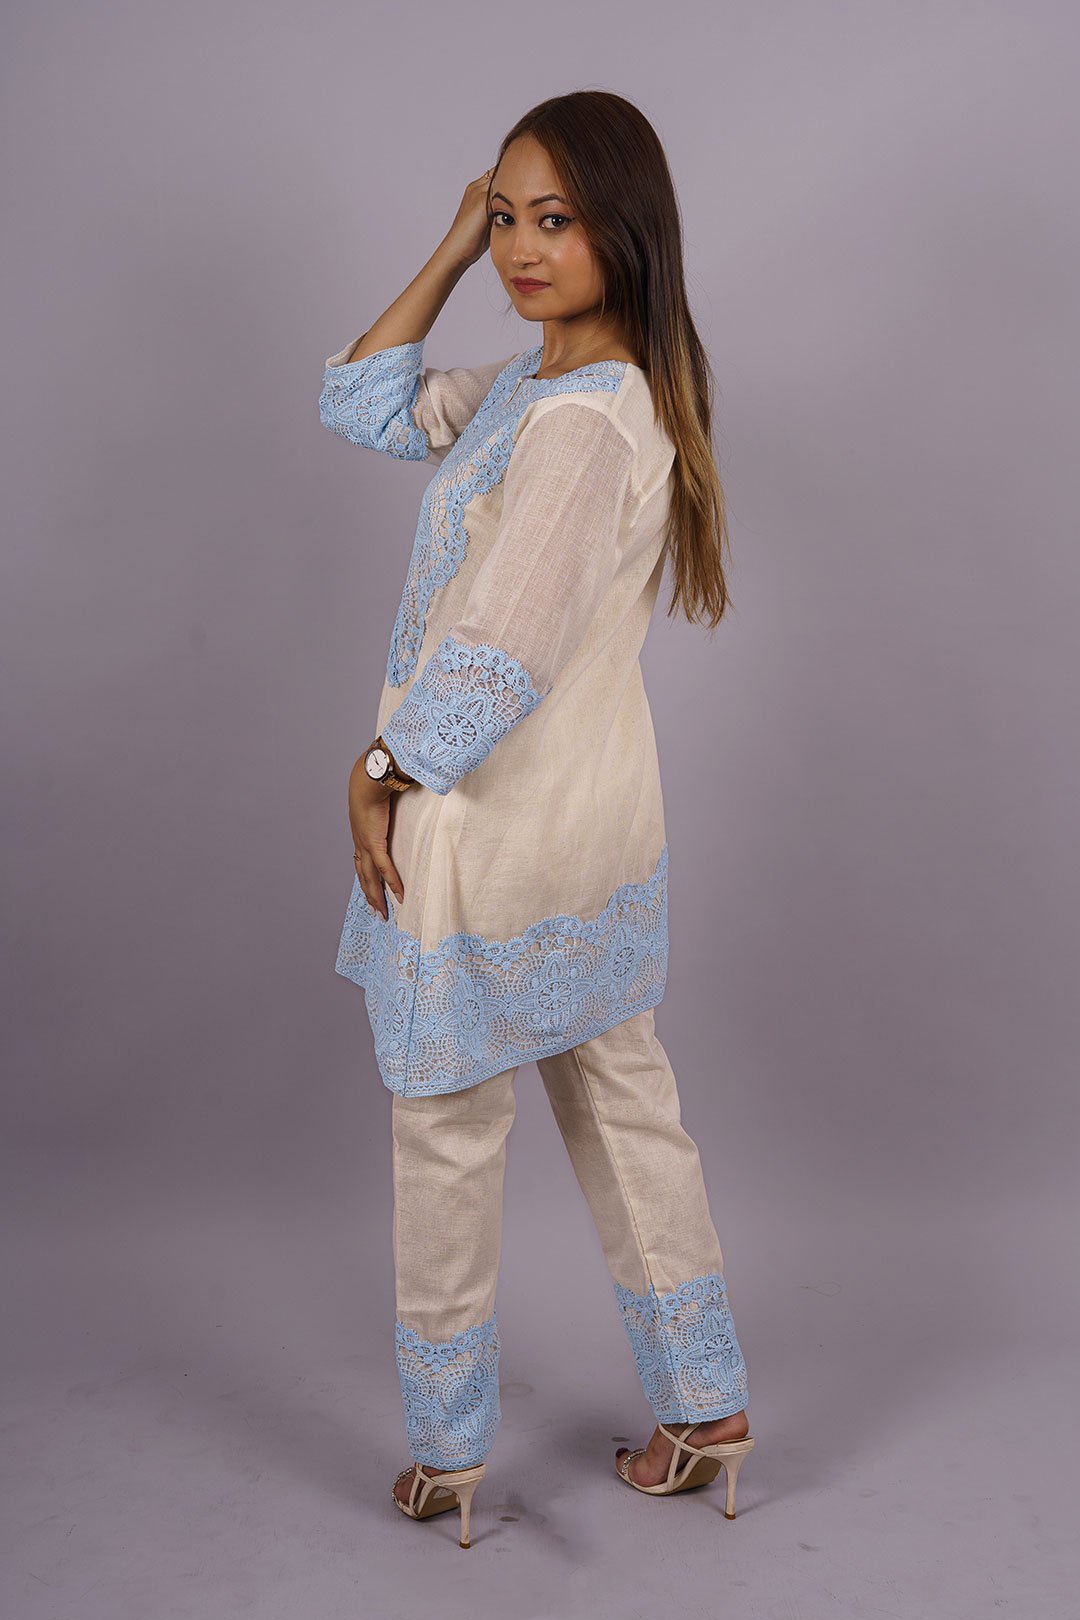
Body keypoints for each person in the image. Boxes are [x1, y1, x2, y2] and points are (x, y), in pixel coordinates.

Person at [318, 90, 754, 1550]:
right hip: (590, 829)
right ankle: (709, 1411)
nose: (521, 248)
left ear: (623, 231)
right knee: (626, 1109)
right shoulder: (541, 388)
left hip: (490, 828)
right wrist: (450, 246)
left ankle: (449, 1456)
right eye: (505, 217)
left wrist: (380, 769)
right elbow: (362, 400)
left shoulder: (577, 422)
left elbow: (499, 653)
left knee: (446, 1131)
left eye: (553, 221)